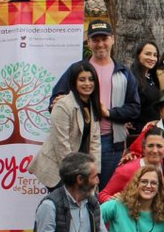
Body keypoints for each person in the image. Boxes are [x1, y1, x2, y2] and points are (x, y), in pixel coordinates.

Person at [50, 20, 140, 189]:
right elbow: (56, 98)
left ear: (113, 39)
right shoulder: (77, 69)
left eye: (104, 39)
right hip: (80, 141)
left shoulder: (123, 73)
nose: (100, 44)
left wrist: (109, 113)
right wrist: (57, 101)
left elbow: (134, 109)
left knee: (105, 191)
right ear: (88, 42)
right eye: (95, 40)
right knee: (77, 191)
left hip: (110, 143)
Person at [30, 61, 102, 190]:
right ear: (74, 82)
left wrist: (94, 173)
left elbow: (95, 142)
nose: (87, 84)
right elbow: (61, 144)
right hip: (58, 168)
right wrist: (74, 175)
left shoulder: (93, 105)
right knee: (63, 202)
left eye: (91, 79)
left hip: (81, 168)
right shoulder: (63, 105)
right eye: (82, 80)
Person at [99, 128, 164, 208]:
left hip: (159, 214)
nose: (154, 150)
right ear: (143, 148)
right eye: (150, 146)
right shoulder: (128, 169)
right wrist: (117, 203)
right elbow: (103, 195)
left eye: (159, 146)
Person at [129, 40, 161, 135]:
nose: (152, 58)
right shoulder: (131, 78)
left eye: (155, 55)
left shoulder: (152, 78)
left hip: (153, 129)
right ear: (138, 55)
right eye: (148, 54)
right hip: (139, 131)